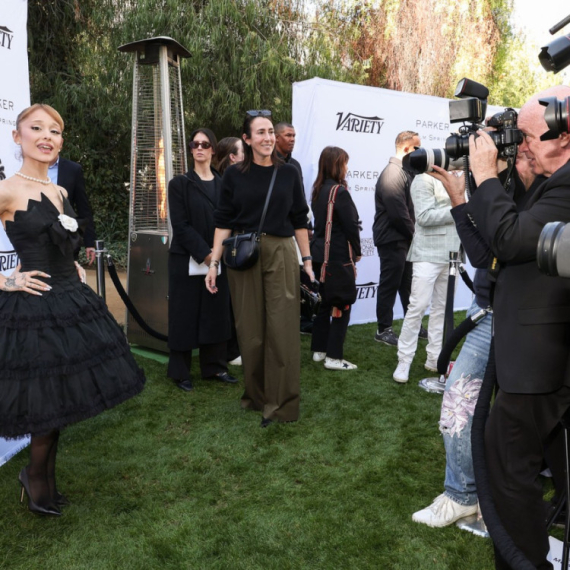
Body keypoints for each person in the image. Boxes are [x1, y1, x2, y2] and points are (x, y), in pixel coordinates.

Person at [431, 85, 570, 570]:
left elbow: (508, 241)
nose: (522, 146)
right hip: (527, 343)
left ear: (565, 137)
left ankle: (521, 556)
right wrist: (473, 191)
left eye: (528, 137)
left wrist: (487, 175)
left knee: (508, 465)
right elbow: (492, 246)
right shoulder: (546, 182)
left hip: (538, 352)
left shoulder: (563, 184)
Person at [0, 104, 145, 516]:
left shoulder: (61, 191)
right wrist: (8, 280)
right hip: (33, 310)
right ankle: (36, 478)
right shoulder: (6, 189)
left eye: (55, 131)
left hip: (71, 302)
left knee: (60, 400)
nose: (47, 136)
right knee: (45, 402)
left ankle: (42, 478)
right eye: (37, 128)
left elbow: (61, 242)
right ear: (18, 137)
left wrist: (76, 263)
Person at [412, 153, 543, 528]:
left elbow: (503, 250)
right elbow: (482, 257)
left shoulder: (541, 185)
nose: (477, 150)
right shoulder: (491, 184)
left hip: (527, 312)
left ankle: (500, 500)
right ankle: (461, 494)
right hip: (487, 306)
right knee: (458, 399)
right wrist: (460, 200)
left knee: (514, 416)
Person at [206, 110, 313, 427]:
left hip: (280, 251)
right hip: (244, 253)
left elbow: (299, 220)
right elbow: (223, 221)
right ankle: (256, 396)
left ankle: (280, 405)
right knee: (250, 331)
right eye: (261, 133)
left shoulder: (289, 173)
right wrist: (213, 263)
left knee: (282, 331)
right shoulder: (235, 176)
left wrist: (306, 261)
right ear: (247, 139)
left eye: (271, 131)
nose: (268, 137)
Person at [167, 128, 238, 391]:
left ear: (213, 150)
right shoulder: (179, 184)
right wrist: (209, 256)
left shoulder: (224, 185)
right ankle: (180, 372)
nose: (199, 148)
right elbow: (181, 226)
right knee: (183, 314)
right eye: (194, 144)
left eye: (205, 144)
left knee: (216, 312)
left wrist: (216, 258)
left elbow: (229, 221)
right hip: (186, 258)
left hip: (217, 259)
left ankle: (215, 368)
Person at [392, 173, 460, 383]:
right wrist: (460, 208)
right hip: (427, 254)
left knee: (442, 308)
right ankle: (404, 361)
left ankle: (435, 358)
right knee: (417, 307)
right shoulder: (423, 179)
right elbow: (423, 217)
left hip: (454, 253)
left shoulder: (462, 177)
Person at [373, 130, 426, 345]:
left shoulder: (404, 171)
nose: (420, 151)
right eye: (416, 147)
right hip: (393, 239)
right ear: (405, 149)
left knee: (407, 286)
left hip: (402, 239)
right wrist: (416, 235)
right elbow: (398, 213)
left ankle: (412, 325)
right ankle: (383, 329)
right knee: (390, 284)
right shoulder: (393, 173)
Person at [310, 146, 361, 370]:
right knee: (342, 305)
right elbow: (352, 227)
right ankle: (334, 357)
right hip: (338, 257)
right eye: (344, 163)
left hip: (320, 255)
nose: (347, 168)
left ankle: (319, 351)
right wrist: (357, 253)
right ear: (336, 165)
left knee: (324, 303)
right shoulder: (339, 192)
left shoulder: (318, 190)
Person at [48, 155, 96, 264]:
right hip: (34, 238)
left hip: (65, 239)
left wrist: (89, 242)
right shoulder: (24, 166)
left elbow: (83, 206)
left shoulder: (73, 169)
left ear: (60, 144)